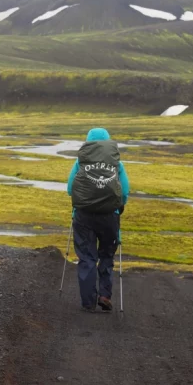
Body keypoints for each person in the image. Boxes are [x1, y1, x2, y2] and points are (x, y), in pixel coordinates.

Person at [66, 128, 129, 312]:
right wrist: (119, 206)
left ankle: (88, 302)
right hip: (110, 216)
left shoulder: (80, 162)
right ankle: (104, 295)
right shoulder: (118, 163)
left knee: (87, 257)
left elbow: (70, 188)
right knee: (107, 255)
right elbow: (124, 191)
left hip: (84, 215)